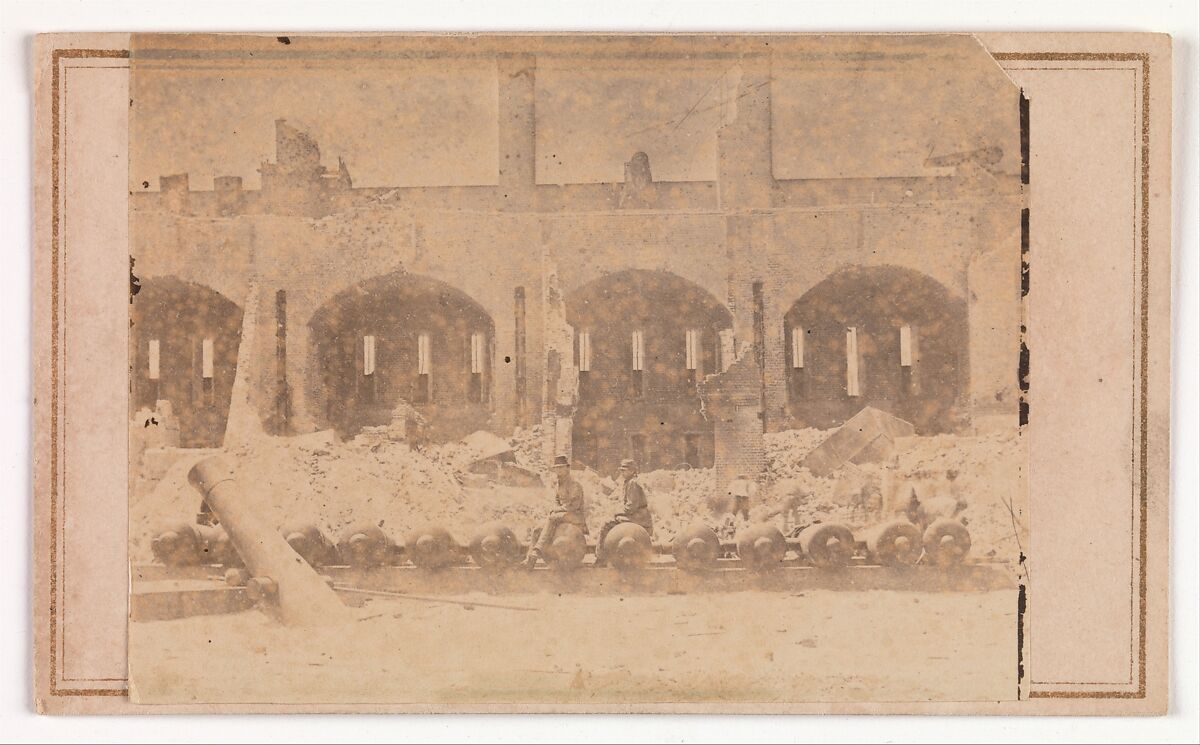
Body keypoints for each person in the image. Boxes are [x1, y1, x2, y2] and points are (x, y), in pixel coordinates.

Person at [522, 454, 587, 568]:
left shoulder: (574, 484)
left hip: (575, 515)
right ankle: (530, 558)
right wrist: (556, 509)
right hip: (562, 514)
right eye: (557, 468)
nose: (559, 470)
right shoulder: (558, 484)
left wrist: (557, 510)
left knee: (552, 518)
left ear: (568, 468)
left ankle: (538, 550)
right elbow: (557, 500)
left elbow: (574, 505)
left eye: (561, 467)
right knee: (537, 530)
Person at [594, 459, 653, 567]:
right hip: (637, 515)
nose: (622, 473)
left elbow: (631, 506)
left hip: (638, 517)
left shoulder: (632, 483)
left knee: (606, 525)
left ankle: (601, 557)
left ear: (632, 471)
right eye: (621, 470)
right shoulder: (628, 482)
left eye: (625, 470)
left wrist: (617, 512)